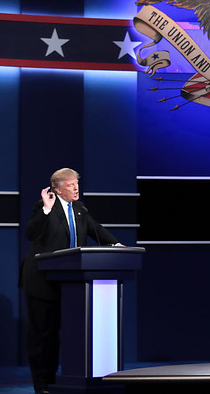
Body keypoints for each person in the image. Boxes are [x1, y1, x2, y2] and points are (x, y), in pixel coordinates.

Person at [19, 168, 123, 394]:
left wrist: (115, 245)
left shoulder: (80, 209)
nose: (75, 188)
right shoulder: (44, 207)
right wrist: (46, 209)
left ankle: (56, 381)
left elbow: (97, 230)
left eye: (76, 183)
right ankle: (42, 386)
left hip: (68, 283)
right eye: (70, 185)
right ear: (57, 189)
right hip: (41, 281)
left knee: (60, 336)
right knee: (42, 337)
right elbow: (31, 233)